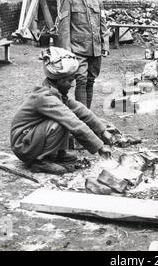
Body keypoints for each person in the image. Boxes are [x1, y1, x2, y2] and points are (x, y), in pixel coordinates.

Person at [10, 47, 113, 175]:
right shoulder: (45, 97)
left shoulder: (56, 93)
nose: (72, 84)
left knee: (65, 119)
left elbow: (81, 110)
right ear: (59, 80)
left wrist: (102, 131)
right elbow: (73, 122)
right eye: (70, 80)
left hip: (30, 137)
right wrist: (99, 146)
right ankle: (40, 161)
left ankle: (57, 153)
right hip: (22, 144)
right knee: (62, 122)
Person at [57, 0, 110, 109]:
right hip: (78, 49)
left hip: (95, 49)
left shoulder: (97, 0)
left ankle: (87, 113)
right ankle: (82, 117)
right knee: (81, 79)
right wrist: (67, 52)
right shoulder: (69, 0)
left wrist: (105, 44)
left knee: (91, 80)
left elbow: (103, 24)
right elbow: (64, 30)